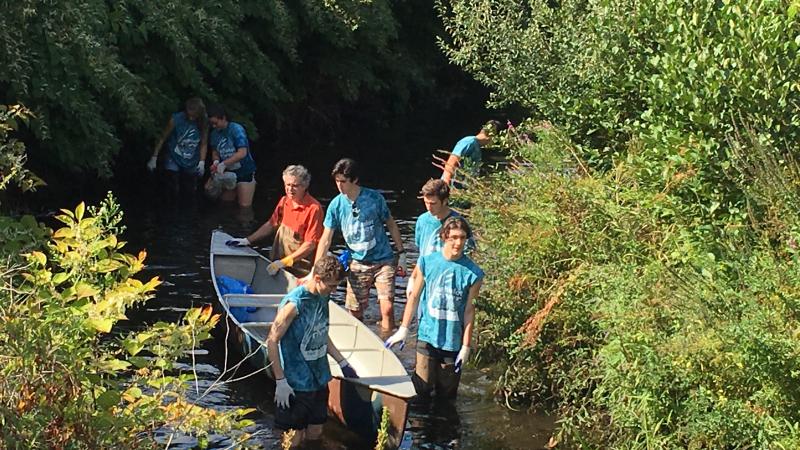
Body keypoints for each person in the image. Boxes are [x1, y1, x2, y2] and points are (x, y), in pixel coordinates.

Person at [385, 216, 484, 399]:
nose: (458, 242)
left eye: (462, 238)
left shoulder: (473, 273)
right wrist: (404, 329)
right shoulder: (427, 262)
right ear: (444, 236)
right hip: (427, 335)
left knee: (446, 397)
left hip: (453, 339)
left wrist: (466, 346)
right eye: (453, 237)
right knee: (421, 390)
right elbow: (414, 296)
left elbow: (470, 310)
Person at [267, 256, 358, 448]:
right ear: (317, 278)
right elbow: (272, 341)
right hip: (296, 382)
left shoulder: (324, 296)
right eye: (331, 286)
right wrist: (280, 381)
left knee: (315, 433)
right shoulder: (295, 304)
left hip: (318, 378)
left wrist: (342, 362)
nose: (334, 290)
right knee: (293, 439)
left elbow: (321, 331)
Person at [313, 158, 406, 330]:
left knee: (387, 308)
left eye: (343, 181)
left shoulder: (374, 198)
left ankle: (387, 344)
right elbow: (326, 238)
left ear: (354, 180)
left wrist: (401, 254)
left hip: (383, 260)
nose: (339, 185)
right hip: (356, 263)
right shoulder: (336, 205)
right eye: (336, 181)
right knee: (355, 313)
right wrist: (315, 270)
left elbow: (391, 223)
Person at [225, 165, 323, 277]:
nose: (290, 189)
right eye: (288, 185)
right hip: (277, 263)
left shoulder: (314, 208)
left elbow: (310, 244)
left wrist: (285, 262)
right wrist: (247, 240)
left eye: (295, 186)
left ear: (305, 186)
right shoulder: (284, 201)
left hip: (300, 269)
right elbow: (271, 224)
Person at [406, 178, 472, 300]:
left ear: (445, 201)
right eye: (426, 203)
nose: (429, 208)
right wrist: (413, 278)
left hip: (448, 280)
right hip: (425, 278)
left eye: (433, 203)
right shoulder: (422, 220)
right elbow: (422, 254)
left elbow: (468, 255)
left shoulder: (458, 223)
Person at [147, 97, 208, 197]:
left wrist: (202, 162)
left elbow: (204, 143)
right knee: (172, 186)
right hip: (174, 156)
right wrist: (154, 157)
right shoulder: (176, 119)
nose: (191, 118)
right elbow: (163, 138)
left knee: (189, 190)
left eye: (194, 116)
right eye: (189, 115)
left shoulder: (204, 122)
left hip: (191, 159)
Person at [207, 104, 257, 207]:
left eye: (215, 123)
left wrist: (224, 163)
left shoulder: (236, 129)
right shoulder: (214, 134)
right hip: (228, 174)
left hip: (244, 172)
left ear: (223, 118)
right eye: (212, 124)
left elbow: (242, 152)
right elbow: (215, 152)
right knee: (226, 204)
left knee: (244, 206)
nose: (214, 126)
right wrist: (216, 162)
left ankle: (245, 222)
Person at [439, 120, 503, 186]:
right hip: (451, 188)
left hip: (462, 191)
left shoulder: (477, 147)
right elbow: (450, 163)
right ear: (493, 135)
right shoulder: (469, 142)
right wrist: (446, 186)